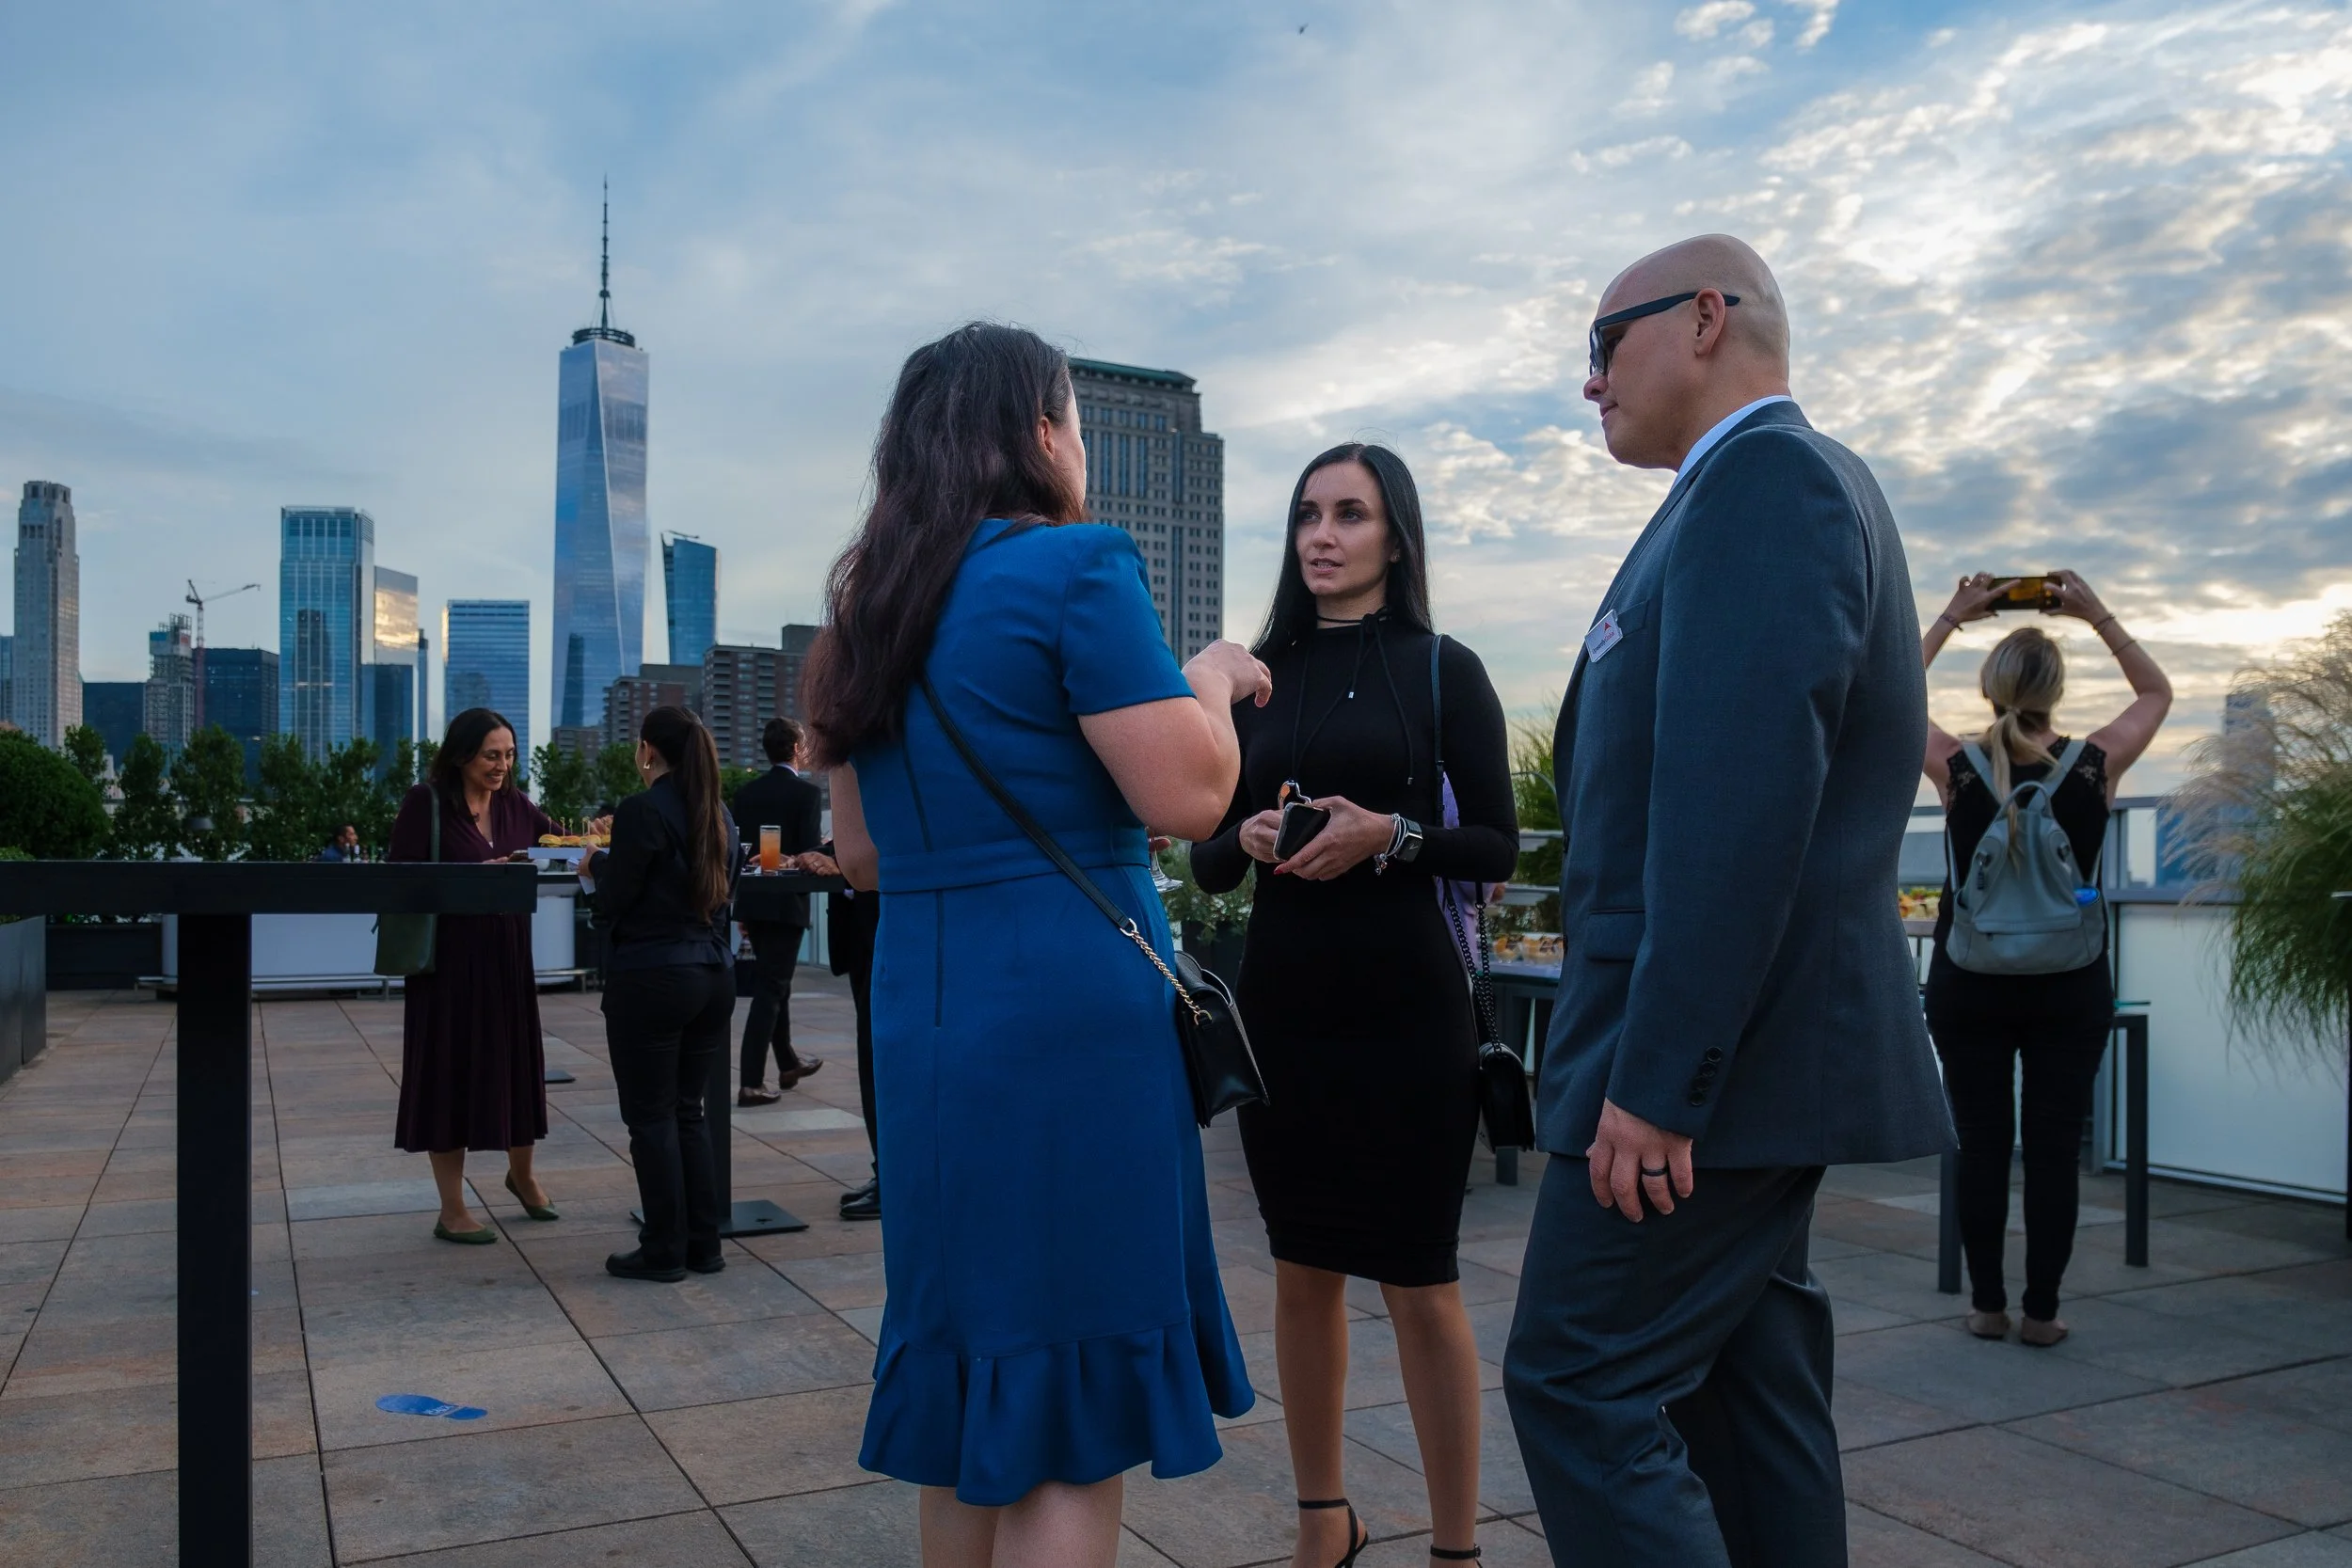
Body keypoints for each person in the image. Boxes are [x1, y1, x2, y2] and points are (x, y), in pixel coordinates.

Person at [1502, 235, 1953, 1566]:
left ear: (1706, 317)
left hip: (1709, 1077)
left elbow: (1739, 816)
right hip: (1741, 1070)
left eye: (1602, 344)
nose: (1589, 383)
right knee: (1746, 1401)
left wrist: (1662, 1079)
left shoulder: (1768, 481)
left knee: (1576, 1380)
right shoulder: (1763, 489)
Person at [806, 322, 1263, 1567]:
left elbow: (861, 858)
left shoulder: (864, 615)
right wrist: (1212, 676)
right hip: (1071, 1017)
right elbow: (1189, 795)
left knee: (977, 1387)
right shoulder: (1076, 570)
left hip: (927, 1015)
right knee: (1071, 1409)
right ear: (1040, 432)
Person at [1191, 443, 1517, 1568]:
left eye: (1350, 514)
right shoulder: (1259, 675)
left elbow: (1496, 841)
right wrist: (1242, 831)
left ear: (1395, 533)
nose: (1322, 535)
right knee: (1302, 1269)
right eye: (1306, 515)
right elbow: (1209, 860)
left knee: (1422, 1280)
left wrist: (1393, 834)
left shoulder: (1442, 667)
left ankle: (1458, 1546)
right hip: (1285, 1012)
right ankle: (1321, 1518)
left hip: (1409, 1015)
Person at [1921, 574, 2170, 1347]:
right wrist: (2097, 613)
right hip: (2070, 986)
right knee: (2055, 1148)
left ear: (1991, 689)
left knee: (1981, 1140)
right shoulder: (2095, 766)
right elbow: (2156, 693)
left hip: (1969, 983)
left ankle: (1987, 1305)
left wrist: (1953, 616)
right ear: (2056, 691)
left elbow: (1880, 693)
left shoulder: (1957, 768)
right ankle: (2042, 1312)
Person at [579, 705, 742, 1282]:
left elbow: (615, 901)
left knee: (650, 1119)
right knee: (687, 1113)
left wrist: (593, 869)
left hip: (651, 977)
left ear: (647, 749)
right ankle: (704, 1245)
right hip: (712, 975)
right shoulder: (721, 813)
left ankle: (663, 1250)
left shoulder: (641, 811)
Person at [387, 707, 561, 1243]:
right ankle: (451, 1208)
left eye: (509, 755)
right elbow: (398, 879)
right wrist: (469, 880)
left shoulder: (517, 806)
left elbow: (558, 845)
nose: (502, 765)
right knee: (449, 1076)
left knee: (517, 1066)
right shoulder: (427, 803)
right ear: (462, 754)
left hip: (508, 959)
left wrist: (590, 836)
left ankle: (522, 1176)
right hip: (448, 966)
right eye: (491, 755)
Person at [732, 715, 827, 1105]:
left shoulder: (746, 794)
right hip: (787, 902)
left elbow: (738, 852)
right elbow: (807, 852)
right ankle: (751, 1081)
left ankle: (787, 1062)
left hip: (754, 900)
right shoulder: (806, 795)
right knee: (771, 990)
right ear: (795, 749)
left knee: (775, 983)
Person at [820, 868, 882, 1221]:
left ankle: (894, 1178)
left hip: (885, 928)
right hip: (862, 934)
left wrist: (836, 860)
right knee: (869, 1059)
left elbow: (860, 857)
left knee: (878, 1061)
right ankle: (885, 1171)